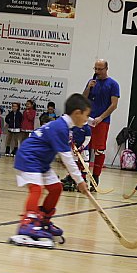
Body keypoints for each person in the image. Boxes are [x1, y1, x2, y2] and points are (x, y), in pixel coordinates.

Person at [9, 93, 90, 248]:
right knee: (36, 190)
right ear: (77, 113)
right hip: (29, 158)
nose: (86, 120)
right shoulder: (60, 127)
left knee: (56, 188)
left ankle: (43, 220)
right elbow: (67, 159)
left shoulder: (65, 126)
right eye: (86, 115)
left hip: (42, 162)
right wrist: (80, 181)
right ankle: (27, 224)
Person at [83, 59, 120, 189]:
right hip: (87, 120)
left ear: (106, 69)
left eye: (100, 69)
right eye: (95, 69)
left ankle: (96, 177)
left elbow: (114, 105)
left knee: (99, 150)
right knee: (83, 148)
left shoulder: (113, 84)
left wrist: (101, 117)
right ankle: (81, 177)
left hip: (102, 122)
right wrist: (88, 88)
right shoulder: (91, 81)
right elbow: (83, 98)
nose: (97, 72)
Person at [60, 122, 91, 191]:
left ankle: (83, 180)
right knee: (73, 164)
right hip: (74, 148)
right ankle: (71, 180)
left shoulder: (87, 128)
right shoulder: (74, 125)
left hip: (84, 150)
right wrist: (71, 142)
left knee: (85, 164)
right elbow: (70, 134)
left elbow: (87, 139)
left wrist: (81, 147)